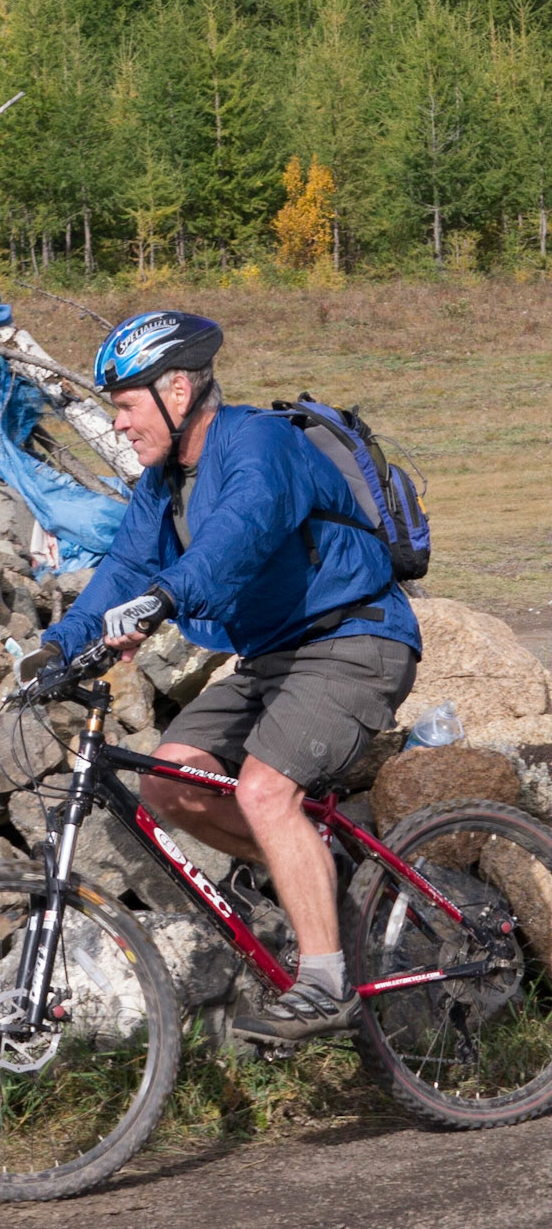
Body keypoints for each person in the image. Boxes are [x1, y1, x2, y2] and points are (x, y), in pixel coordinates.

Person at [33, 309, 420, 1041]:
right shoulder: (164, 482)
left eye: (125, 405)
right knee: (168, 781)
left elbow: (237, 535)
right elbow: (124, 567)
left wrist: (165, 597)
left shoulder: (261, 444)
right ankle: (321, 875)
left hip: (353, 639)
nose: (117, 423)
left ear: (177, 391)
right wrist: (57, 647)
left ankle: (325, 985)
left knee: (265, 790)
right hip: (273, 658)